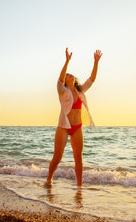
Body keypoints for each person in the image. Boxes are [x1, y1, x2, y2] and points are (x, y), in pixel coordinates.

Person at [46, 48, 102, 186]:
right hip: (64, 127)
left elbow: (92, 79)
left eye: (71, 74)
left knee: (78, 158)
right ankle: (49, 179)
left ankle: (79, 185)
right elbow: (59, 79)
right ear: (65, 79)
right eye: (67, 75)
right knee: (58, 157)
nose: (70, 75)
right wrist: (67, 61)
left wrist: (95, 62)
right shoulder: (62, 91)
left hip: (77, 128)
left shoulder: (80, 90)